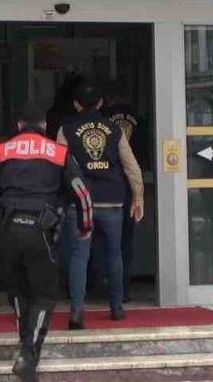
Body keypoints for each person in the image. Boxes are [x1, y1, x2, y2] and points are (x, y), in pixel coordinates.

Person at [0, 105, 92, 382]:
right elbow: (83, 194)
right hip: (41, 229)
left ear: (18, 125)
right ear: (45, 125)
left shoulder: (1, 150)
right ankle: (28, 356)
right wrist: (85, 225)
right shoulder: (59, 152)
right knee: (43, 295)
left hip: (8, 229)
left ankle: (24, 347)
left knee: (18, 292)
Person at [58, 82, 143, 329]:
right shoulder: (114, 129)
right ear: (101, 103)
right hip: (112, 201)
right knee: (115, 254)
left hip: (80, 202)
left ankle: (76, 312)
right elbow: (131, 166)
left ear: (76, 104)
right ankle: (116, 307)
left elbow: (60, 167)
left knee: (79, 256)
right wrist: (138, 197)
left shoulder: (66, 130)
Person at [102, 82, 140, 304]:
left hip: (108, 184)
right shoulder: (139, 117)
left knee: (102, 244)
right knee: (125, 244)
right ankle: (123, 291)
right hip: (127, 185)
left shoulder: (105, 120)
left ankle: (102, 287)